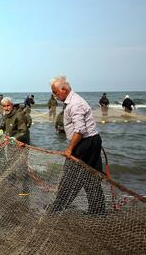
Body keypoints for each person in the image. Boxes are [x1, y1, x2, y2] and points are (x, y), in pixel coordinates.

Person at [49, 75, 105, 215]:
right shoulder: (70, 101)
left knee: (71, 174)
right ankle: (97, 210)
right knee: (90, 176)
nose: (54, 95)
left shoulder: (75, 103)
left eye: (55, 92)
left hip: (86, 142)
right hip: (90, 141)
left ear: (64, 89)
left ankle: (58, 206)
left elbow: (80, 130)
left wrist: (69, 149)